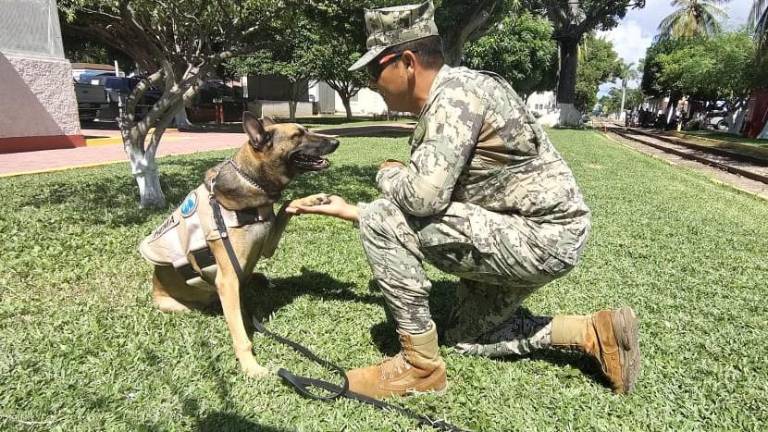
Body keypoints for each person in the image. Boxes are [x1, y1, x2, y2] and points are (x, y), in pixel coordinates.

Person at [288, 0, 640, 399]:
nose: (371, 82)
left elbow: (420, 201)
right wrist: (352, 210)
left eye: (374, 69)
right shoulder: (456, 94)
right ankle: (593, 332)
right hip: (534, 232)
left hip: (541, 237)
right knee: (470, 336)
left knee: (385, 214)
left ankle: (419, 367)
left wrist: (385, 173)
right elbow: (441, 204)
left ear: (406, 61)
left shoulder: (455, 98)